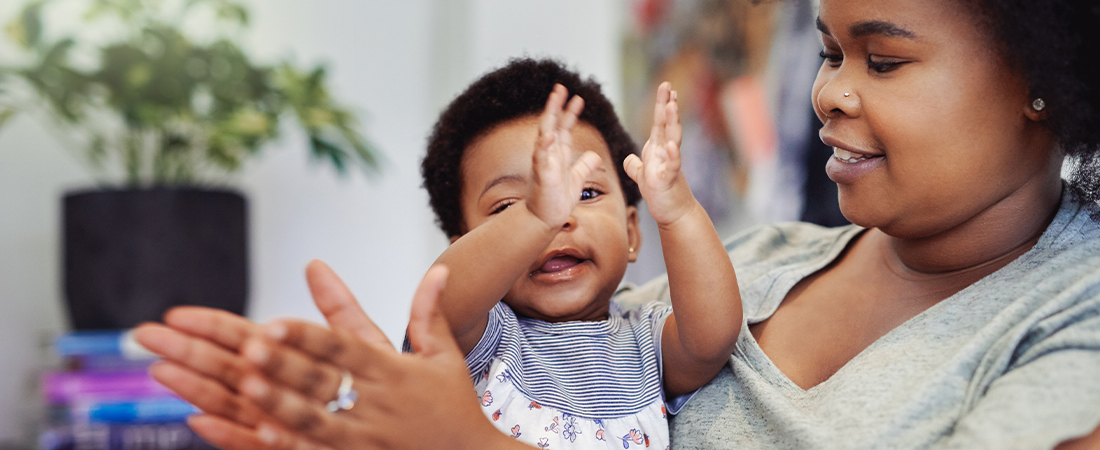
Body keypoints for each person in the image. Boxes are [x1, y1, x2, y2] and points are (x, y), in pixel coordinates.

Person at [133, 0, 1100, 447]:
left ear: (1044, 77)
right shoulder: (751, 259)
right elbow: (455, 319)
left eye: (881, 61)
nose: (825, 94)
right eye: (827, 51)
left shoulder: (1074, 316)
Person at [410, 59, 740, 449]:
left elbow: (711, 340)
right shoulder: (485, 339)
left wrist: (678, 213)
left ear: (632, 232)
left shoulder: (643, 343)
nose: (559, 217)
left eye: (586, 193)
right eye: (508, 208)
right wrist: (533, 217)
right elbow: (442, 304)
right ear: (464, 245)